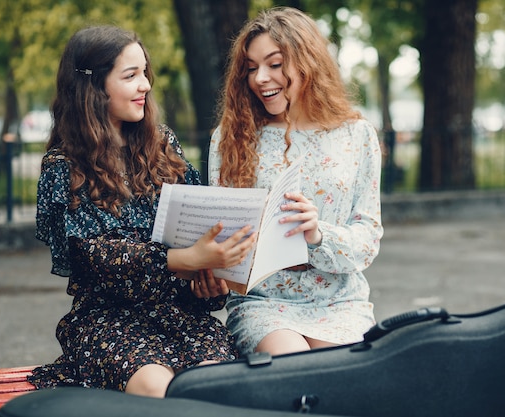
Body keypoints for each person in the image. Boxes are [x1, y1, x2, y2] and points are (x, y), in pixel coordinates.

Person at [28, 25, 257, 398]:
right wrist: (181, 258)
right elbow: (97, 255)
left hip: (179, 316)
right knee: (157, 388)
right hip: (107, 320)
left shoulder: (162, 143)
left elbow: (195, 221)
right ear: (93, 86)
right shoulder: (64, 165)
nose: (146, 85)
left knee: (215, 385)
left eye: (144, 73)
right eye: (131, 75)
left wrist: (209, 275)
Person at [209, 7, 384, 357]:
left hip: (341, 301)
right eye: (251, 68)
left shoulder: (357, 134)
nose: (260, 78)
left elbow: (367, 236)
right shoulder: (231, 137)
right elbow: (222, 233)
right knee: (295, 368)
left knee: (346, 376)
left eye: (274, 64)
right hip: (264, 303)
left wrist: (318, 234)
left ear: (308, 62)